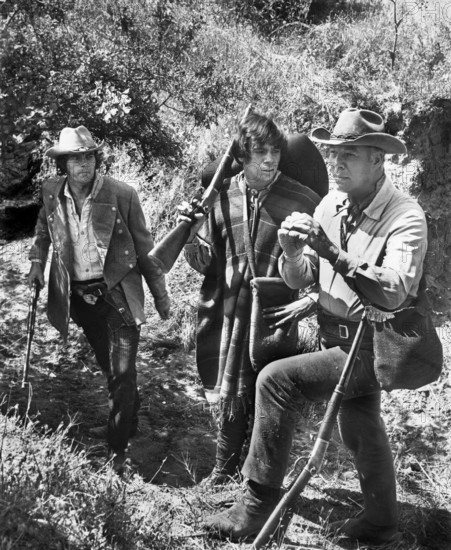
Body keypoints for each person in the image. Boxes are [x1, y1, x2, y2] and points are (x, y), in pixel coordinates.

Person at [203, 108, 428, 545]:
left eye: (349, 155)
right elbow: (305, 276)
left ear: (378, 160)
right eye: (333, 155)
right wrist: (291, 254)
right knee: (360, 426)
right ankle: (381, 526)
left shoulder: (405, 216)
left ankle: (254, 506)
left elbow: (394, 292)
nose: (336, 164)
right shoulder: (331, 204)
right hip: (334, 337)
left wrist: (330, 251)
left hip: (373, 345)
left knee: (274, 382)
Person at [180, 110, 322, 485]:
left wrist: (311, 299)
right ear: (242, 156)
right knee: (230, 392)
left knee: (268, 394)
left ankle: (256, 480)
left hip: (273, 318)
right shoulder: (221, 197)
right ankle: (224, 469)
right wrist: (192, 235)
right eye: (260, 153)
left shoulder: (303, 199)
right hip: (226, 312)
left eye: (275, 151)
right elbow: (205, 262)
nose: (270, 160)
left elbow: (324, 263)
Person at [27, 125, 171, 473]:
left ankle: (118, 447)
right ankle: (127, 420)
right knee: (112, 370)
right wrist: (36, 263)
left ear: (96, 158)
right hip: (79, 298)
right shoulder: (51, 193)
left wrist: (161, 297)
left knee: (122, 372)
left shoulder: (122, 194)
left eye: (88, 156)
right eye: (75, 159)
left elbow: (146, 250)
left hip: (117, 295)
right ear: (63, 164)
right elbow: (43, 233)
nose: (83, 165)